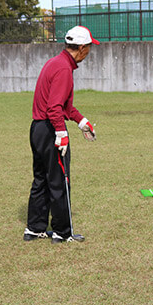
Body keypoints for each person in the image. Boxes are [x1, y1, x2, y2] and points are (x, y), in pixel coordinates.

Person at [24, 26, 98, 244]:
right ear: (82, 48)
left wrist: (82, 122)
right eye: (89, 48)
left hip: (37, 129)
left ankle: (34, 228)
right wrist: (61, 133)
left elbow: (64, 106)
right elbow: (54, 108)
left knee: (41, 179)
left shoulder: (55, 62)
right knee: (60, 180)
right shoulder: (64, 69)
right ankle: (62, 232)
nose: (89, 52)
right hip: (49, 130)